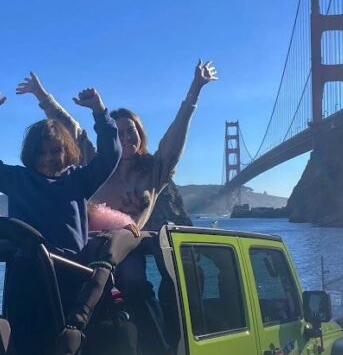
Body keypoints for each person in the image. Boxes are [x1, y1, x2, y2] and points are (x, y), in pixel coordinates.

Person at [23, 59, 218, 230]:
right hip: (87, 252)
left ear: (140, 134)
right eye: (118, 133)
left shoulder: (154, 171)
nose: (125, 138)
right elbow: (71, 130)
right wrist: (41, 94)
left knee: (131, 272)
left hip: (129, 253)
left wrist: (196, 88)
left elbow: (175, 138)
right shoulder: (97, 163)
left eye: (131, 131)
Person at [0, 84, 120, 255]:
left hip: (72, 272)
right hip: (28, 272)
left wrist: (99, 111)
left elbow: (110, 155)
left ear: (67, 151)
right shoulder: (17, 180)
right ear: (31, 154)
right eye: (41, 152)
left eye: (55, 151)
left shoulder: (79, 180)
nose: (48, 158)